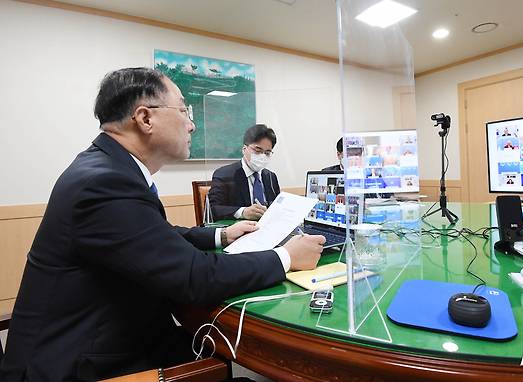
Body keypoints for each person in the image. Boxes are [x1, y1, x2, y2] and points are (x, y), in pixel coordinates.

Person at [0, 68, 325, 381]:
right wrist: (286, 257)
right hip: (79, 363)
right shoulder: (106, 182)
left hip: (109, 334)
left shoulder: (107, 167)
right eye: (185, 111)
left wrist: (221, 234)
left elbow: (153, 236)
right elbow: (195, 277)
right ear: (145, 118)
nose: (192, 126)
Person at [208, 124, 281, 220]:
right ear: (244, 149)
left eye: (267, 153)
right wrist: (242, 212)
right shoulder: (224, 175)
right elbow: (213, 209)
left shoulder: (270, 177)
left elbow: (277, 207)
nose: (262, 156)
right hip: (238, 230)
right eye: (257, 150)